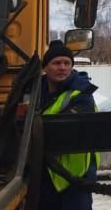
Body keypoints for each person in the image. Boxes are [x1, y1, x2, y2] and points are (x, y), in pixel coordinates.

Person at [37, 40, 99, 210]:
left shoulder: (83, 92)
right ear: (45, 67)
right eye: (56, 63)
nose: (62, 67)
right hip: (47, 176)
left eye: (67, 63)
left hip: (76, 178)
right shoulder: (35, 92)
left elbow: (71, 128)